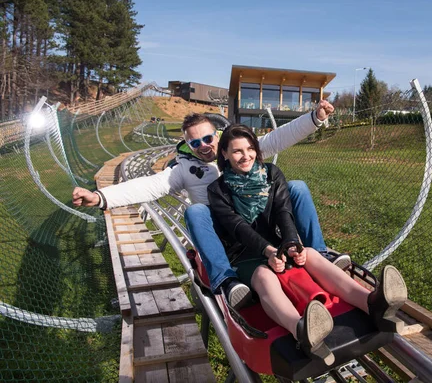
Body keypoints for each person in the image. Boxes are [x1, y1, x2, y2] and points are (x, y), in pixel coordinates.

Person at [72, 101, 345, 309]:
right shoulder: (185, 170)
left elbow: (277, 138)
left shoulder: (239, 152)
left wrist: (315, 118)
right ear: (188, 146)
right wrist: (101, 197)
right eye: (195, 142)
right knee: (196, 210)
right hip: (225, 232)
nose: (204, 146)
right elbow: (147, 185)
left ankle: (320, 251)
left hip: (258, 223)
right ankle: (226, 279)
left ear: (217, 137)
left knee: (297, 186)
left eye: (208, 138)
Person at [207, 124, 407, 365]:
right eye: (237, 151)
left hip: (278, 247)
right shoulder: (217, 190)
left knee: (311, 254)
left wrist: (292, 243)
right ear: (225, 154)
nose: (246, 155)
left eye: (250, 148)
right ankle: (300, 329)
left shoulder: (271, 173)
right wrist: (268, 251)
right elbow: (237, 227)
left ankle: (371, 302)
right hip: (246, 254)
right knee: (263, 276)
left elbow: (283, 210)